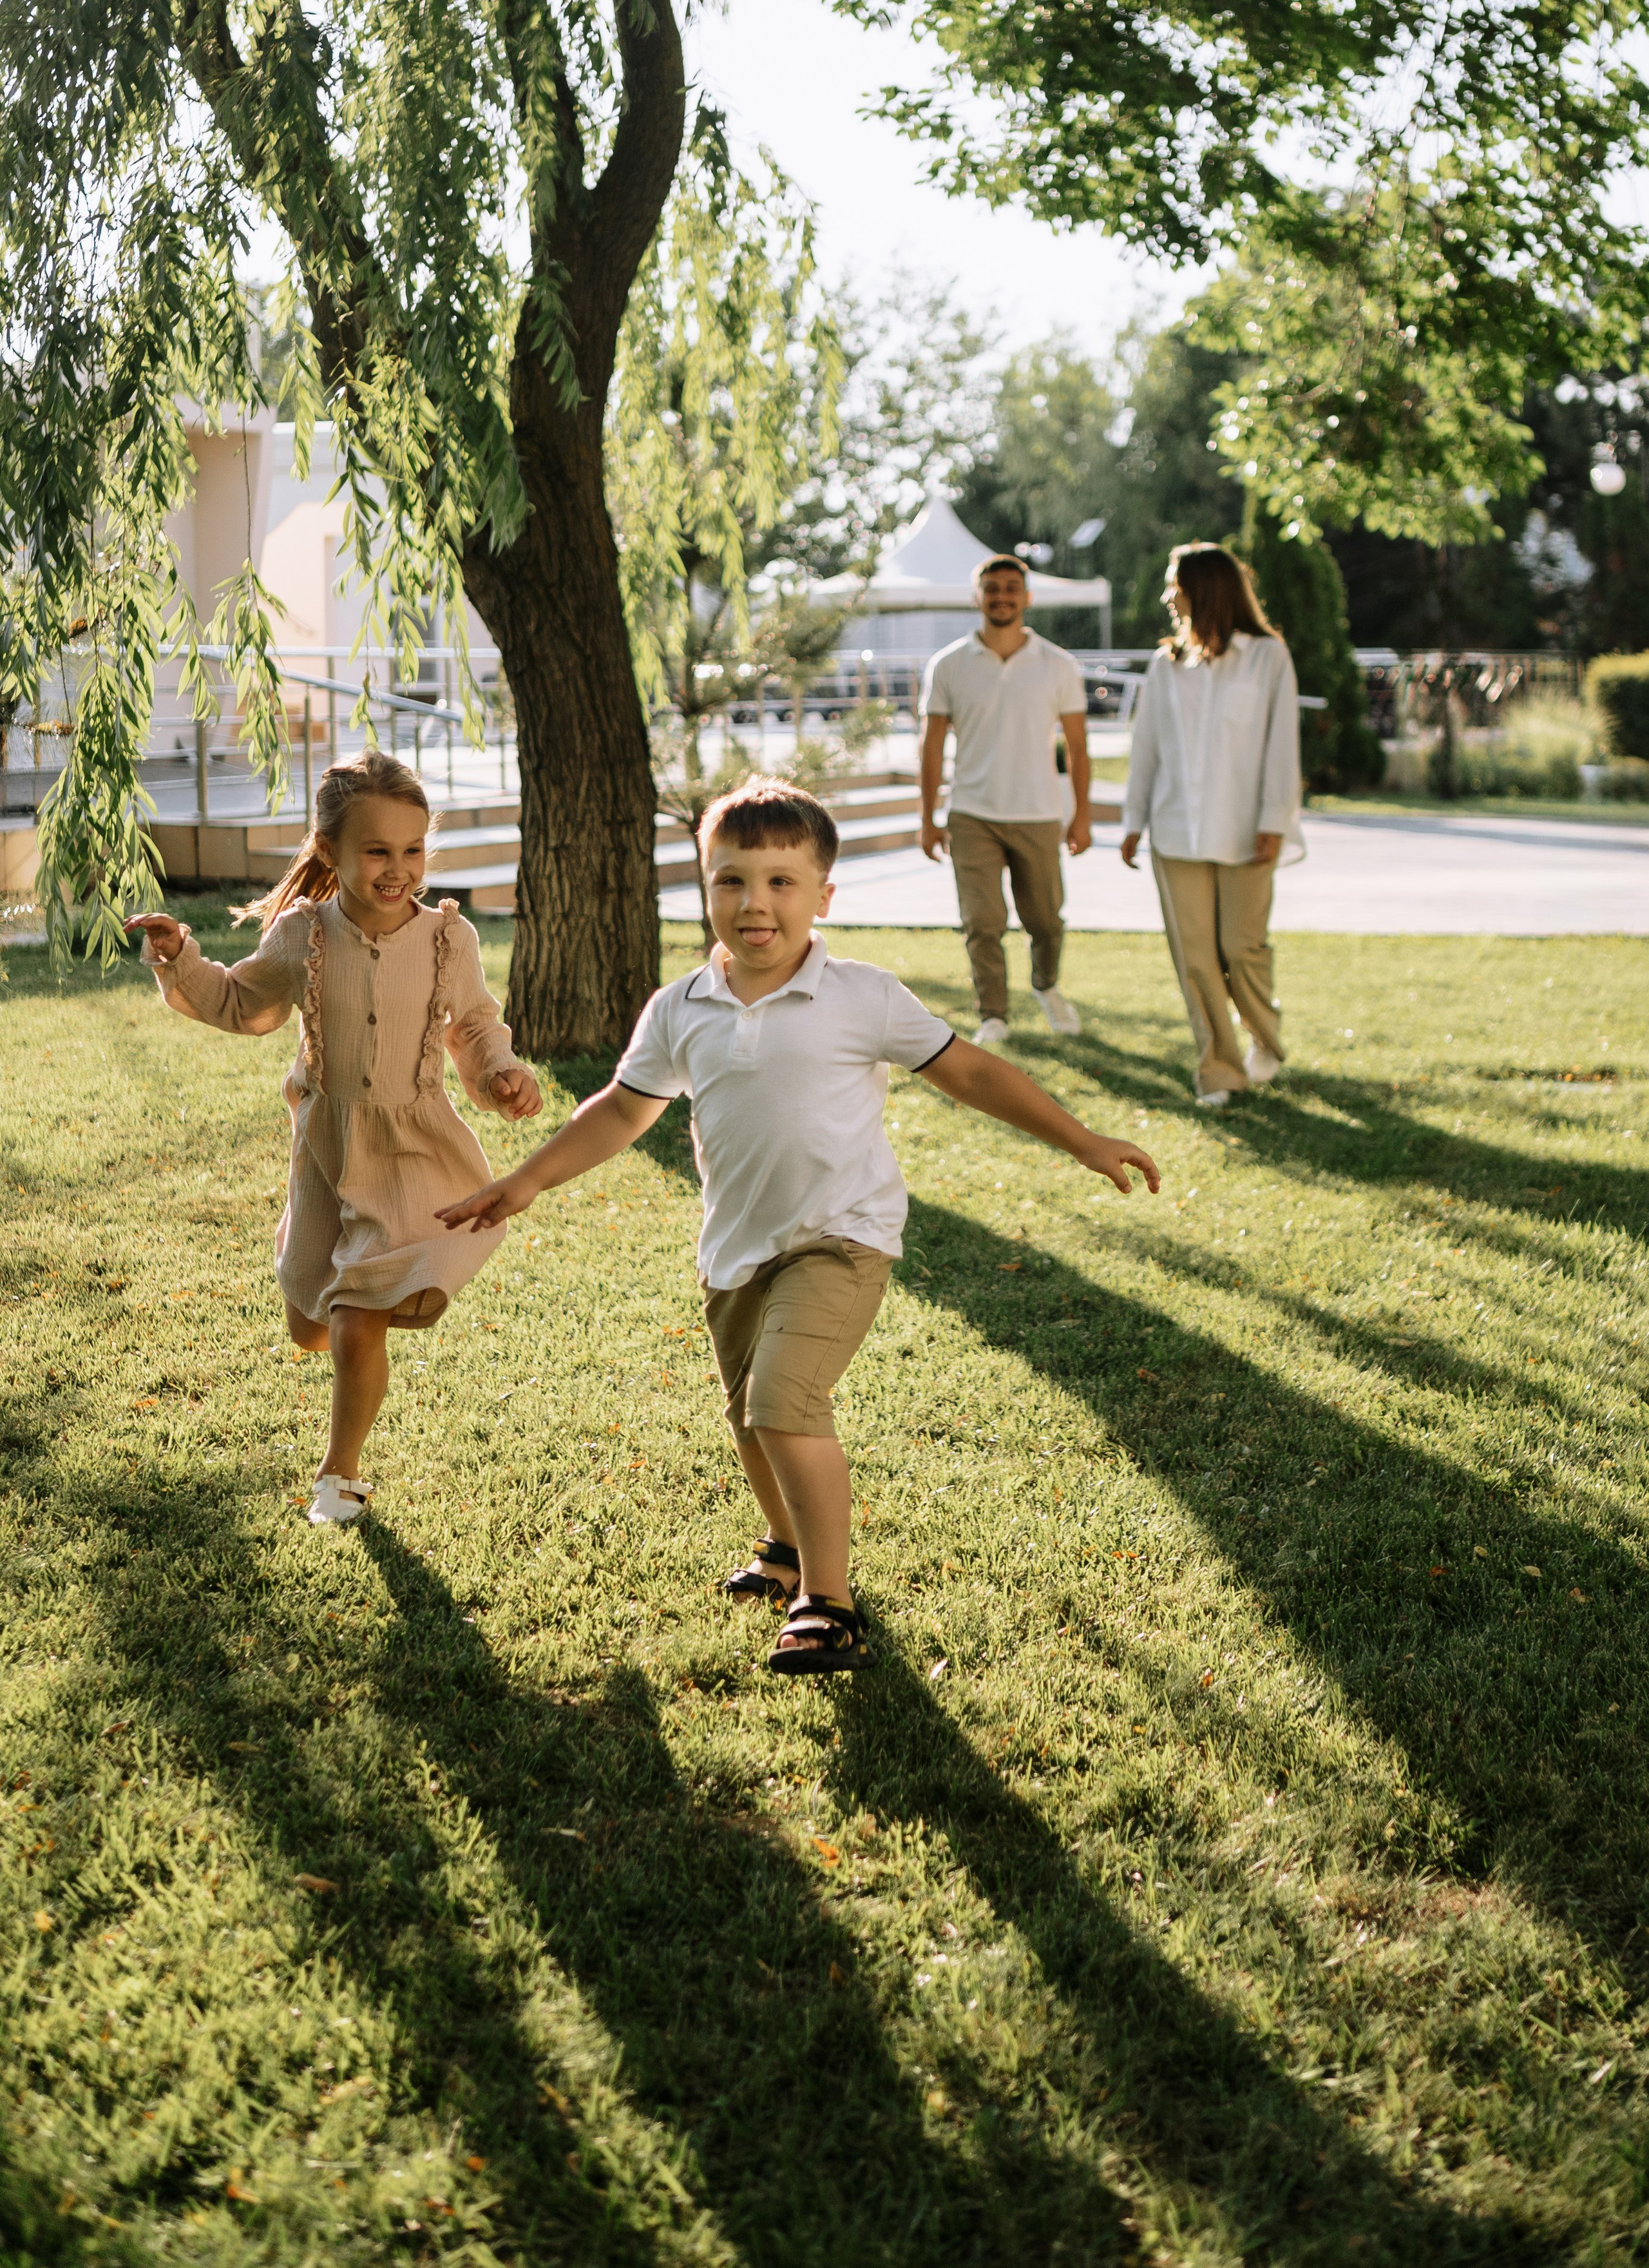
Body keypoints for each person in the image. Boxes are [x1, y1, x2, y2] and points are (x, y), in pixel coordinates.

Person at [439, 776, 1159, 1678]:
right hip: (737, 1248)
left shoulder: (861, 995)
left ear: (824, 897)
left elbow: (971, 1074)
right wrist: (526, 1180)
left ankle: (831, 1602)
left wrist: (1083, 1140)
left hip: (839, 1237)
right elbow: (623, 1111)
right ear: (705, 888)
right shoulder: (681, 1007)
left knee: (784, 1400)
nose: (755, 903)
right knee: (749, 1415)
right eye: (732, 880)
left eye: (782, 883)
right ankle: (785, 1550)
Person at [124, 749, 542, 1524]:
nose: (398, 869)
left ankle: (338, 1476)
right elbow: (243, 1004)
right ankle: (332, 1280)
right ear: (330, 853)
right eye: (378, 851)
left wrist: (500, 1075)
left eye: (412, 850)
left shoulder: (450, 941)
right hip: (327, 1149)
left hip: (415, 1151)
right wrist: (181, 958)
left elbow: (476, 1028)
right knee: (310, 1322)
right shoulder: (304, 935)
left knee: (354, 1324)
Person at [1120, 542, 1302, 1108]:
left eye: (1175, 582)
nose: (1168, 595)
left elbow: (1281, 746)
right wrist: (1133, 821)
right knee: (1195, 959)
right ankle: (1219, 1071)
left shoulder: (1268, 657)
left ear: (1205, 588)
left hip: (1248, 831)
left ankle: (1265, 1042)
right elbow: (1145, 747)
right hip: (1175, 833)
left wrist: (1274, 819)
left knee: (1242, 949)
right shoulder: (1166, 665)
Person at [919, 553, 1092, 1044]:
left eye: (1011, 588)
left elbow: (1077, 748)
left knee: (1046, 922)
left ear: (1027, 597)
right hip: (972, 813)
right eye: (992, 588)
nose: (1001, 596)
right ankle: (993, 1015)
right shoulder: (948, 665)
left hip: (1038, 813)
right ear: (977, 597)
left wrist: (1081, 816)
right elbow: (931, 747)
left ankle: (1047, 986)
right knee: (982, 921)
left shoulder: (1058, 664)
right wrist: (927, 818)